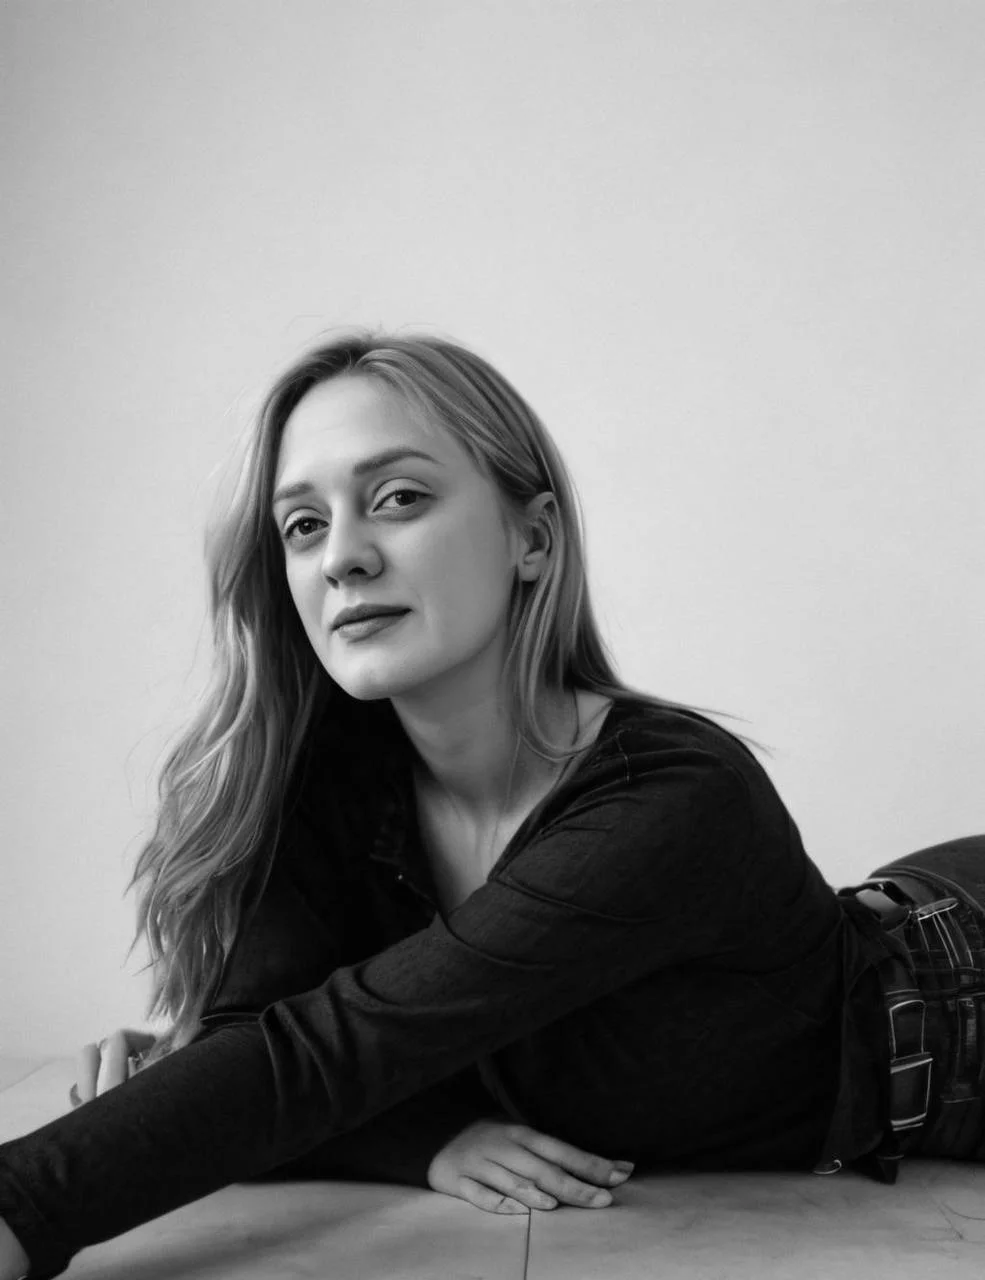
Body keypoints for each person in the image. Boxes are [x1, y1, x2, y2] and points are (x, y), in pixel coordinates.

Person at [0, 332, 981, 1279]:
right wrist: (419, 1138)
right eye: (303, 524)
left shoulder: (674, 799)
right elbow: (266, 1049)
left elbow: (317, 1059)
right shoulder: (332, 783)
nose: (342, 557)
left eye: (397, 498)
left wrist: (26, 1203)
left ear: (532, 538)